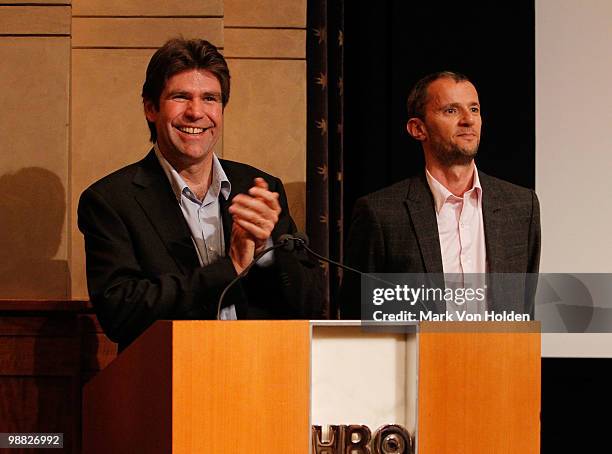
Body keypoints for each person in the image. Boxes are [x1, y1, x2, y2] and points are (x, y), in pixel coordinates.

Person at [78, 38, 322, 349]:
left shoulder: (259, 188)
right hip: (171, 379)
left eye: (210, 98)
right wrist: (230, 267)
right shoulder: (111, 200)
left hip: (262, 372)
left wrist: (265, 250)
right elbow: (121, 313)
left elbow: (310, 302)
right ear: (151, 108)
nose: (196, 112)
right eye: (181, 97)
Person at [340, 71, 540, 319]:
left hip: (499, 357)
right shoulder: (381, 213)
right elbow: (358, 315)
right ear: (418, 129)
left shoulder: (520, 206)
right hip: (418, 357)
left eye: (474, 109)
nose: (468, 120)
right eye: (451, 111)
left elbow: (524, 311)